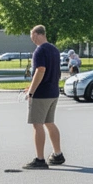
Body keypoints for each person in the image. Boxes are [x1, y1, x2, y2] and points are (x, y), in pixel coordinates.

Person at [22, 25, 64, 169]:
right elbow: (55, 72)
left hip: (42, 94)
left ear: (38, 34)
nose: (32, 40)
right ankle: (57, 154)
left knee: (37, 124)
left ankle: (40, 159)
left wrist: (31, 91)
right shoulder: (54, 50)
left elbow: (40, 71)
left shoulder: (39, 51)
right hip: (53, 91)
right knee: (49, 122)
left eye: (32, 36)